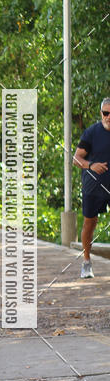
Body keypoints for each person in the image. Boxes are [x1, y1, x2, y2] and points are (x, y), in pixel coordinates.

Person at [73, 97, 110, 278]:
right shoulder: (91, 133)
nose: (108, 116)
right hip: (93, 186)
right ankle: (86, 262)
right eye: (106, 113)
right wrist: (91, 166)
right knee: (90, 223)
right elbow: (76, 158)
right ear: (101, 113)